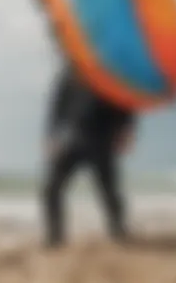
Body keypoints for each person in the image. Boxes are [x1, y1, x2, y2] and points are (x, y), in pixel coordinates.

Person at [42, 63, 138, 248]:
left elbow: (124, 100)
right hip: (73, 139)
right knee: (51, 189)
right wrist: (51, 135)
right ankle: (55, 236)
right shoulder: (69, 73)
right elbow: (56, 105)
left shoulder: (110, 70)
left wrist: (126, 131)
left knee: (109, 191)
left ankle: (118, 231)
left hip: (102, 140)